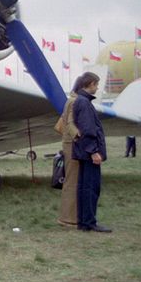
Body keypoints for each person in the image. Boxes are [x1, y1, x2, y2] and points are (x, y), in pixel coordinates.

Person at [72, 72, 112, 232]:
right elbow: (88, 130)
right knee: (91, 188)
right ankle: (89, 222)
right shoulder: (84, 103)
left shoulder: (80, 101)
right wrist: (94, 151)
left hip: (83, 152)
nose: (97, 87)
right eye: (96, 84)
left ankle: (83, 222)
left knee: (83, 187)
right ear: (89, 84)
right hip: (89, 153)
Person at [56, 90, 80, 226]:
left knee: (71, 181)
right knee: (72, 181)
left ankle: (70, 216)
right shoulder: (74, 102)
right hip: (72, 145)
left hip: (69, 144)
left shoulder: (70, 101)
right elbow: (70, 124)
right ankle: (68, 218)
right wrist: (80, 136)